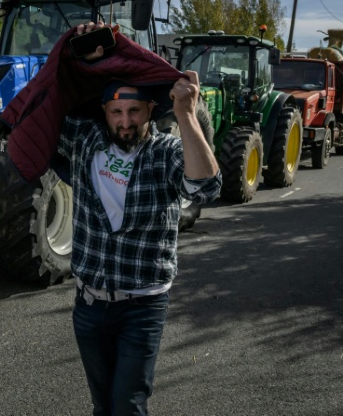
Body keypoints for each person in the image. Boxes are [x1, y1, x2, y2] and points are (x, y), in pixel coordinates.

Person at [57, 22, 222, 415]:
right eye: (116, 110)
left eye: (134, 110)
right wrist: (85, 49)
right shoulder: (84, 138)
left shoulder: (164, 151)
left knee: (128, 405)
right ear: (104, 110)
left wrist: (186, 114)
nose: (125, 121)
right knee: (102, 406)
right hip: (89, 304)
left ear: (151, 109)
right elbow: (49, 96)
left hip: (142, 306)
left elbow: (206, 188)